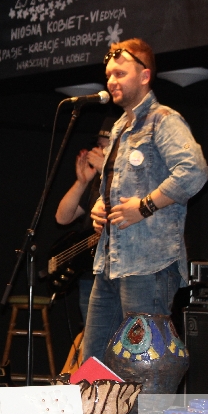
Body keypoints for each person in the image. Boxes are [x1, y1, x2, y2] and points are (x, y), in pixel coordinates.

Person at [83, 38, 208, 363]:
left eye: (120, 73)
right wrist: (101, 207)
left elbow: (194, 171)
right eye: (109, 75)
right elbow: (118, 185)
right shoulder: (119, 127)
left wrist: (144, 206)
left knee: (143, 366)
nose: (112, 81)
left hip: (148, 267)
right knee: (93, 363)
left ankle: (144, 403)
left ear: (144, 75)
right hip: (110, 264)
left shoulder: (163, 120)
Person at [55, 117, 115, 327]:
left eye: (106, 147)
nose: (98, 151)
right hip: (91, 273)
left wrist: (107, 169)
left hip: (118, 274)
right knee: (92, 335)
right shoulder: (97, 182)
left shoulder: (125, 179)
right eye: (98, 145)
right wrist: (82, 182)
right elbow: (62, 217)